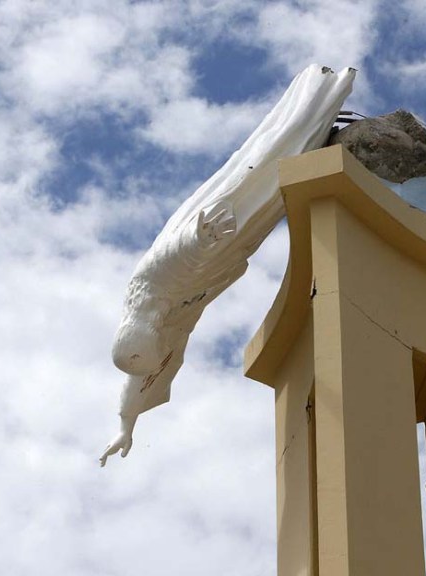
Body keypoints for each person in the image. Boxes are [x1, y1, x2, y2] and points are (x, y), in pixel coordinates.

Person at [100, 64, 356, 466]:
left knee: (270, 163)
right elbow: (136, 382)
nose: (165, 351)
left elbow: (171, 254)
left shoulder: (153, 289)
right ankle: (321, 128)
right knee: (277, 189)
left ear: (144, 335)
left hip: (221, 222)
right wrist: (125, 427)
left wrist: (200, 237)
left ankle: (323, 92)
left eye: (157, 350)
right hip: (236, 240)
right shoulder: (163, 328)